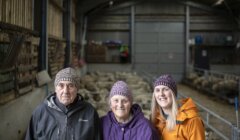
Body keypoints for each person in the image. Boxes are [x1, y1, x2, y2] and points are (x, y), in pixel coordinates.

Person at [25, 67, 102, 140]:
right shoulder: (40, 112)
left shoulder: (90, 112)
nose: (65, 91)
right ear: (55, 89)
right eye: (61, 85)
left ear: (77, 89)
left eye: (70, 86)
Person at [150, 74, 205, 140]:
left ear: (173, 94)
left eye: (165, 89)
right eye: (157, 90)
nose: (161, 94)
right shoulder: (155, 119)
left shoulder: (192, 121)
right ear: (154, 95)